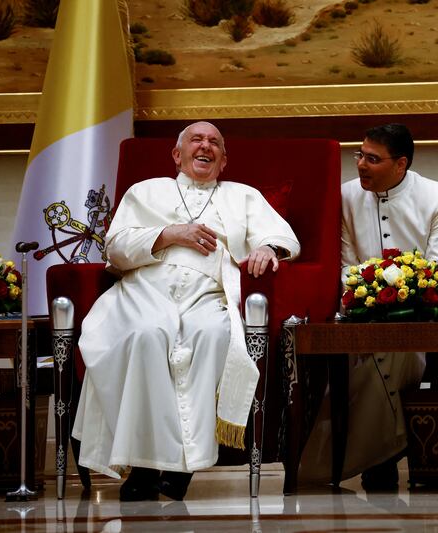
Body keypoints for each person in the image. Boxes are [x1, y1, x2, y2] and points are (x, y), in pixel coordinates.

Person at [72, 121, 300, 501]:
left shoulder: (243, 195)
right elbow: (115, 247)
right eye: (196, 139)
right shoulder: (144, 192)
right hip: (145, 289)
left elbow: (281, 235)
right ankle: (143, 468)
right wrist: (170, 234)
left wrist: (267, 248)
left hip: (209, 292)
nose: (205, 146)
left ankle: (185, 466)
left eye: (214, 143)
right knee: (146, 336)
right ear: (177, 155)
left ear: (223, 161)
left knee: (212, 336)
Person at [299, 123, 438, 489]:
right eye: (359, 155)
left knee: (391, 348)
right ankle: (386, 451)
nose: (361, 165)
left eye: (373, 159)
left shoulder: (437, 196)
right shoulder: (345, 196)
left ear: (401, 164)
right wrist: (366, 292)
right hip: (358, 316)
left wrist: (406, 293)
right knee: (375, 347)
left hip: (420, 320)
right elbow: (343, 263)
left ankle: (365, 457)